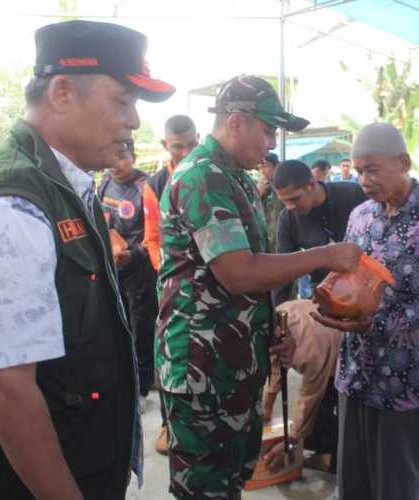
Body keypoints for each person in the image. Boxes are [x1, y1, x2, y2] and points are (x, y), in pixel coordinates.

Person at [0, 20, 176, 499]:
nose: (135, 122)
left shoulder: (63, 186)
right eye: (122, 101)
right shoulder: (11, 207)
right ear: (63, 92)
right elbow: (5, 389)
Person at [156, 74, 362, 499]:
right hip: (203, 372)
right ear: (236, 123)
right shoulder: (202, 176)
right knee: (205, 489)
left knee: (230, 481)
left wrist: (269, 334)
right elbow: (239, 272)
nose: (271, 143)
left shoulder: (237, 178)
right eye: (267, 130)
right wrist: (324, 254)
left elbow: (254, 276)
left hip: (233, 365)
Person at [313, 122, 419, 500]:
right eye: (358, 169)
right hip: (357, 374)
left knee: (395, 486)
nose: (363, 179)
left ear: (404, 162)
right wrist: (334, 304)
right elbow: (347, 278)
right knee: (353, 485)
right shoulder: (360, 216)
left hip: (407, 378)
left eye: (372, 169)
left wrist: (373, 323)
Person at [143, 114, 199, 456]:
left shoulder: (210, 175)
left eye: (191, 144)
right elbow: (152, 238)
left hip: (207, 285)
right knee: (169, 353)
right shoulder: (155, 183)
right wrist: (169, 271)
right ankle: (168, 422)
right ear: (166, 145)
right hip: (170, 284)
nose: (186, 151)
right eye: (179, 146)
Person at [97, 139, 156, 407]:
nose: (115, 164)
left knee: (140, 329)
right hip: (113, 267)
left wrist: (134, 254)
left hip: (140, 272)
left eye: (122, 157)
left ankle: (142, 388)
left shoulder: (147, 187)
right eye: (112, 157)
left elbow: (155, 235)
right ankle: (126, 382)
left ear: (133, 156)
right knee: (117, 327)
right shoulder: (105, 184)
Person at [261, 299, 342, 473]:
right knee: (307, 421)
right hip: (321, 337)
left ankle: (326, 457)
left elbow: (311, 396)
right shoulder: (276, 321)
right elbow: (276, 363)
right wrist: (267, 405)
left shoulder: (309, 352)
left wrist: (291, 440)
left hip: (339, 356)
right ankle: (319, 445)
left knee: (320, 407)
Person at [272, 159, 367, 305]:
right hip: (325, 295)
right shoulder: (287, 219)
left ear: (311, 184)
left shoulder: (353, 194)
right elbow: (284, 273)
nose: (290, 206)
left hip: (368, 286)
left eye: (295, 199)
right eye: (284, 201)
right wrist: (277, 315)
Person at [257, 153, 283, 251]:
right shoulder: (262, 189)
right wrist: (258, 194)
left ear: (276, 166)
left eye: (265, 167)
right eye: (259, 168)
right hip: (267, 243)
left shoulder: (285, 186)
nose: (262, 172)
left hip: (282, 241)